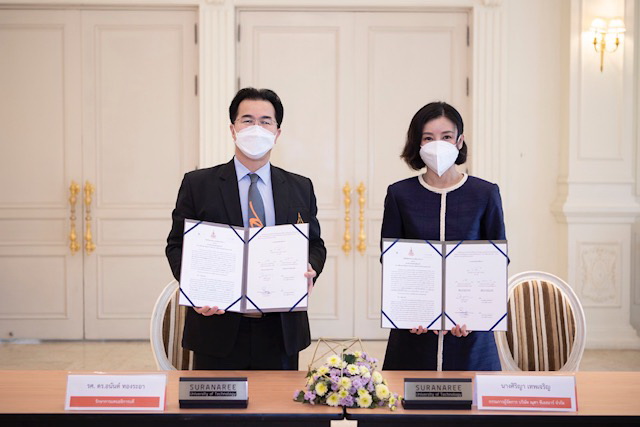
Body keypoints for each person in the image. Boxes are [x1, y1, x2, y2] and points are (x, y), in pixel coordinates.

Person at [166, 87, 326, 370]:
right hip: (216, 326)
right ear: (233, 129)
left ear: (277, 132)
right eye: (247, 120)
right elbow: (177, 245)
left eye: (265, 121)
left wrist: (311, 267)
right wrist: (195, 288)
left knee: (277, 400)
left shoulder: (300, 187)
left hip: (280, 328)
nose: (256, 129)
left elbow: (315, 244)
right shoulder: (198, 184)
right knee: (216, 401)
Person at [381, 101, 505, 371]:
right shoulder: (399, 194)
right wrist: (408, 311)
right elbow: (391, 260)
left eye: (446, 136)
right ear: (418, 143)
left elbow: (496, 261)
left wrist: (476, 314)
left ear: (460, 141)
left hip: (470, 334)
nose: (438, 144)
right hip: (414, 334)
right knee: (407, 395)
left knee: (473, 396)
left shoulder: (485, 194)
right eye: (428, 138)